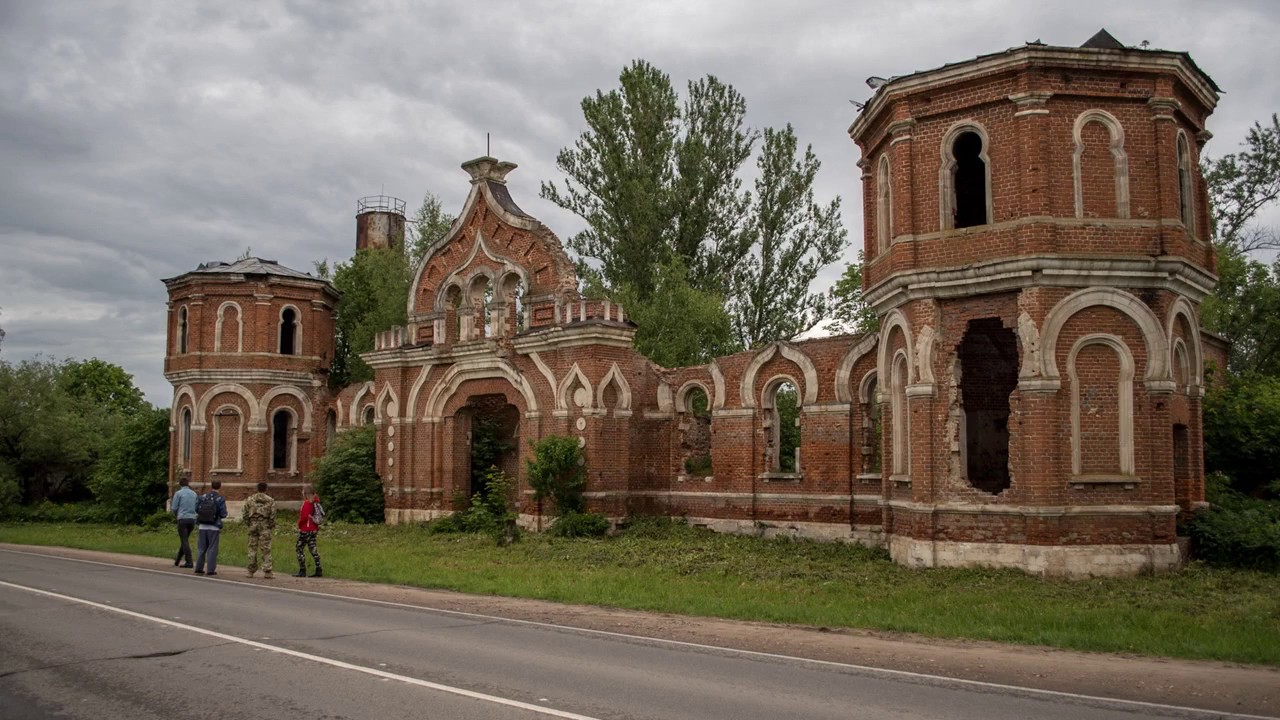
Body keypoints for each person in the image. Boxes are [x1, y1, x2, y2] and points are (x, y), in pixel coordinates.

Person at [241, 481, 276, 579]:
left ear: (257, 488)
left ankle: (250, 571)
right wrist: (270, 525)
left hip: (253, 524)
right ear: (266, 489)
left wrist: (249, 523)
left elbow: (244, 513)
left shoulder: (250, 499)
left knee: (252, 548)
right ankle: (268, 571)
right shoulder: (270, 500)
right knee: (266, 548)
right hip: (264, 525)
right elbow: (273, 515)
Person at [194, 480, 228, 576]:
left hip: (202, 526)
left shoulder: (203, 497)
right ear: (220, 486)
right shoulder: (220, 499)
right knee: (212, 549)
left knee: (201, 548)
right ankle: (210, 569)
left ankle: (199, 568)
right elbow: (223, 513)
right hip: (214, 527)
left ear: (211, 486)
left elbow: (196, 508)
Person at [170, 475, 197, 568]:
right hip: (192, 519)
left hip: (182, 519)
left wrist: (177, 515)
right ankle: (177, 560)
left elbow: (174, 508)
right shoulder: (194, 494)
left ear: (180, 484)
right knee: (184, 540)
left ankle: (189, 561)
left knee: (184, 540)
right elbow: (196, 507)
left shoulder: (178, 494)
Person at [294, 490, 323, 578]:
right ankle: (318, 569)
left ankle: (302, 570)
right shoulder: (316, 503)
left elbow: (304, 517)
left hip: (306, 528)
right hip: (314, 528)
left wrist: (299, 524)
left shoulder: (306, 503)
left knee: (299, 548)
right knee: (313, 548)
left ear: (306, 494)